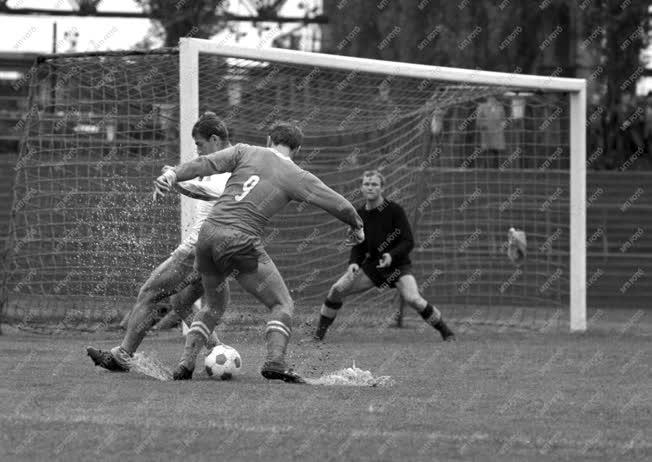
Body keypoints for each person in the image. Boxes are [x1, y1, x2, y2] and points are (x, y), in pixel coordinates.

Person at [153, 122, 364, 383]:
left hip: (207, 237)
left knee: (214, 306)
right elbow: (337, 203)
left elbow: (206, 163)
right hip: (239, 239)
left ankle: (185, 365)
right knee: (282, 304)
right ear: (297, 149)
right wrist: (356, 224)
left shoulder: (244, 150)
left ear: (268, 139)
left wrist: (173, 174)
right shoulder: (296, 175)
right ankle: (275, 361)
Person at [87, 112, 231, 372]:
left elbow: (208, 193)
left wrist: (175, 182)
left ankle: (122, 356)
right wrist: (173, 173)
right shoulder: (220, 164)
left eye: (199, 144)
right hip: (221, 253)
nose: (197, 150)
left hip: (198, 249)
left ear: (215, 139)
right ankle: (217, 350)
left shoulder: (225, 170)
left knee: (149, 293)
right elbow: (196, 177)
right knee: (181, 303)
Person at [312, 169, 455, 342]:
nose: (370, 187)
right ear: (361, 187)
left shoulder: (395, 211)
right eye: (366, 184)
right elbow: (358, 245)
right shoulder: (359, 215)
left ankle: (447, 333)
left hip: (398, 266)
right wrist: (353, 263)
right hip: (373, 267)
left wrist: (391, 256)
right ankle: (318, 336)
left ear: (382, 188)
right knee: (336, 290)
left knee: (414, 299)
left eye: (374, 184)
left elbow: (408, 241)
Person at [476, 95, 506, 168]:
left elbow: (503, 119)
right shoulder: (482, 107)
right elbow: (478, 120)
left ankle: (496, 168)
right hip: (487, 132)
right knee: (486, 150)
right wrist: (483, 126)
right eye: (490, 97)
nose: (492, 99)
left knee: (496, 151)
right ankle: (485, 167)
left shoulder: (499, 107)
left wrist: (502, 126)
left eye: (493, 97)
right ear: (487, 98)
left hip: (497, 132)